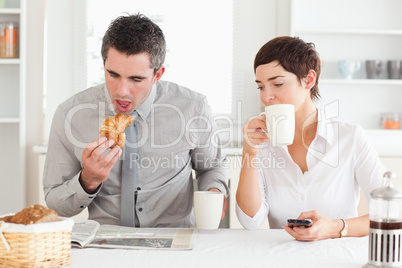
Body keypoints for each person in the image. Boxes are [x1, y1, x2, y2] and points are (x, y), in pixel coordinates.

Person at [43, 13, 229, 227]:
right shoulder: (70, 115)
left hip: (174, 241)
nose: (122, 91)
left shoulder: (193, 107)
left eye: (136, 79)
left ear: (158, 75)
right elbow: (55, 206)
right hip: (105, 242)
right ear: (103, 64)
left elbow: (211, 167)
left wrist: (215, 191)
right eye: (113, 75)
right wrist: (88, 180)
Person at [235, 36, 386, 241]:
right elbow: (250, 221)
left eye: (277, 84)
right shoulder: (261, 144)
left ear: (309, 79)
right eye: (261, 86)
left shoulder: (350, 138)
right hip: (280, 257)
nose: (265, 97)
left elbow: (391, 213)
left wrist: (335, 227)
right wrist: (249, 153)